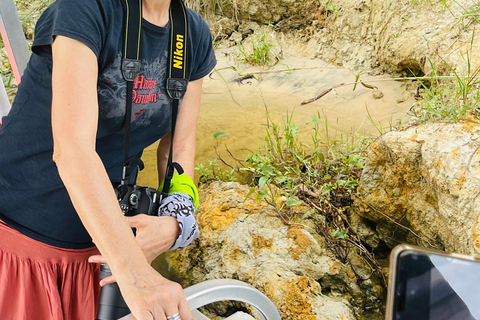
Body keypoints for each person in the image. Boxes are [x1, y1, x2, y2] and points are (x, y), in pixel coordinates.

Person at [0, 0, 216, 319]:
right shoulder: (87, 9)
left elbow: (178, 151)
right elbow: (73, 149)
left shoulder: (194, 35)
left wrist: (176, 223)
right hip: (19, 245)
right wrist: (134, 271)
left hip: (101, 252)